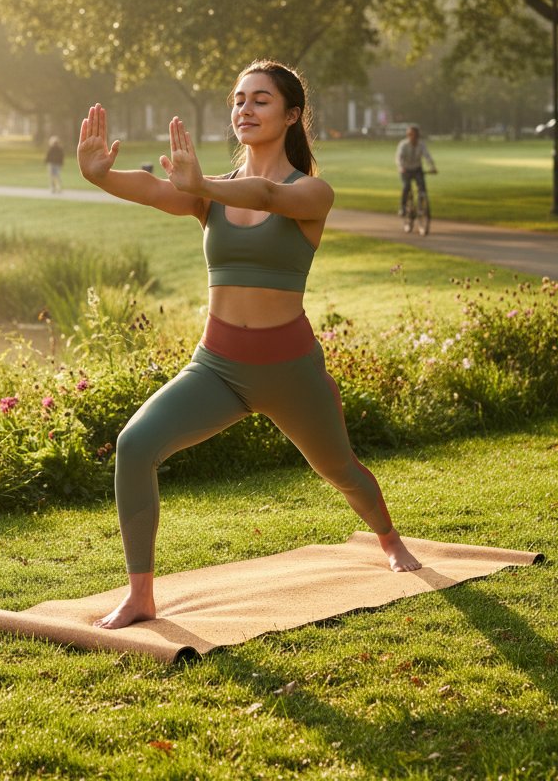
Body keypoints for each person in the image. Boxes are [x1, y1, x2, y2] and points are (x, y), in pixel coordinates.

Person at [77, 59, 421, 631]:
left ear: (291, 115)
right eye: (239, 100)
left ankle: (388, 539)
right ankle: (141, 596)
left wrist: (202, 183)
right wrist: (101, 177)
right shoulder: (204, 195)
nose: (246, 109)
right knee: (135, 445)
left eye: (260, 100)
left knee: (341, 470)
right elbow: (158, 189)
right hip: (217, 369)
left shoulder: (311, 191)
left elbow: (263, 193)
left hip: (290, 371)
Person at [395, 125, 437, 216]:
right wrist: (400, 167)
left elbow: (427, 156)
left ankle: (421, 206)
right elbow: (399, 157)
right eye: (410, 135)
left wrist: (432, 167)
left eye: (414, 135)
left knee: (422, 187)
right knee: (406, 186)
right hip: (405, 169)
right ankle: (403, 208)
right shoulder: (403, 145)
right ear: (408, 135)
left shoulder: (421, 145)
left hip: (417, 169)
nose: (412, 137)